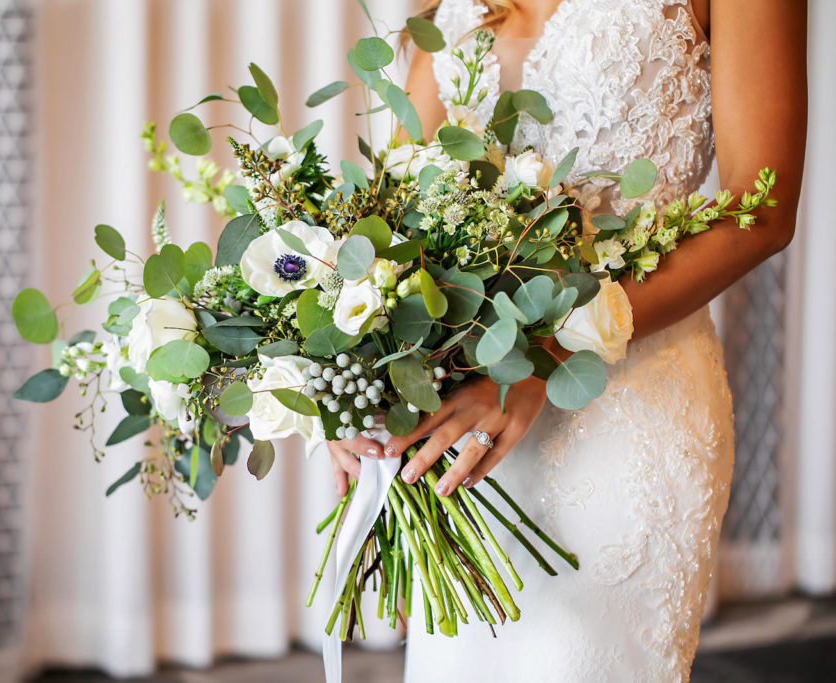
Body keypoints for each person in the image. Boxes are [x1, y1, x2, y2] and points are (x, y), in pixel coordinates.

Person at [326, 0, 807, 679]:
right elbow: (400, 209)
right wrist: (363, 376)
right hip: (473, 430)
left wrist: (540, 359)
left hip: (629, 413)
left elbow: (762, 211)